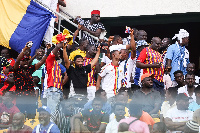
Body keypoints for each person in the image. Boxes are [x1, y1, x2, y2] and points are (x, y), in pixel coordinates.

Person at [96, 29, 135, 98]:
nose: (121, 54)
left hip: (117, 96)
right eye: (119, 53)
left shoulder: (121, 67)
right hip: (107, 95)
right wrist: (98, 93)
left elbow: (133, 48)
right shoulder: (107, 67)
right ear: (114, 55)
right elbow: (99, 78)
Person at [13, 42, 47, 118]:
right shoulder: (17, 69)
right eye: (23, 60)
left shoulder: (30, 69)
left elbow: (41, 62)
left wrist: (48, 52)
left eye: (26, 60)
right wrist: (25, 48)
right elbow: (17, 60)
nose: (25, 62)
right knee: (20, 117)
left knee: (31, 117)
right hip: (20, 97)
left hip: (30, 97)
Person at [45, 42, 67, 113]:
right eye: (57, 52)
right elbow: (52, 54)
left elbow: (66, 75)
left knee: (58, 114)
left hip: (58, 90)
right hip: (53, 90)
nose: (59, 53)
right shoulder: (49, 61)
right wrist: (58, 46)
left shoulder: (57, 64)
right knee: (52, 113)